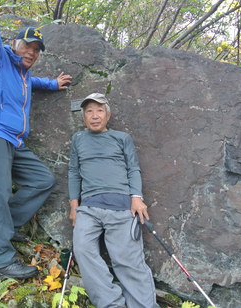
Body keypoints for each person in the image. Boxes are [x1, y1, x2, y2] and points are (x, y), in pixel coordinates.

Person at [0, 0, 72, 282]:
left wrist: (53, 84)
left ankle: (3, 227)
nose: (32, 52)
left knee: (43, 180)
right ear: (15, 43)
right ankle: (0, 261)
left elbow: (34, 82)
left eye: (37, 50)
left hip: (15, 142)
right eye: (28, 45)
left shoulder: (25, 75)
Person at [68, 93, 158, 308]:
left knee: (127, 261)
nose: (94, 116)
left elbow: (133, 168)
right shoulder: (78, 139)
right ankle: (111, 303)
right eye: (89, 111)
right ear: (83, 117)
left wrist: (137, 198)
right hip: (88, 208)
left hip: (121, 207)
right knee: (82, 249)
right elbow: (73, 172)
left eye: (99, 110)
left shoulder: (122, 138)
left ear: (108, 115)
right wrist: (74, 206)